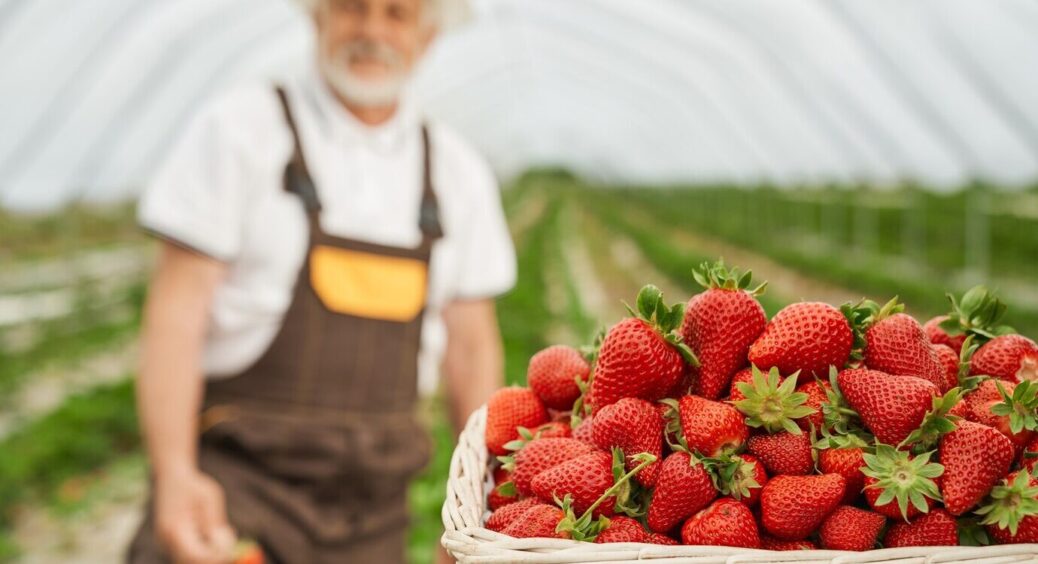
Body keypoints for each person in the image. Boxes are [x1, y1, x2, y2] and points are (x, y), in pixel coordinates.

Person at [125, 0, 515, 562]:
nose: (372, 31)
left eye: (397, 14)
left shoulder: (457, 172)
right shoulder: (240, 131)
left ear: (427, 37)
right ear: (316, 17)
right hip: (237, 491)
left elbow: (471, 348)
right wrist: (175, 476)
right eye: (353, 8)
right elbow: (175, 319)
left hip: (375, 511)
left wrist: (477, 506)